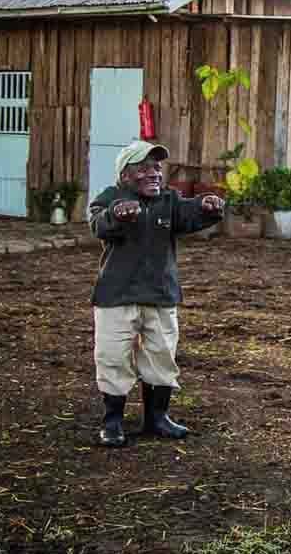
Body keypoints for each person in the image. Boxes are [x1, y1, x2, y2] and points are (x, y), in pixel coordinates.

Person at [88, 140, 224, 448]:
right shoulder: (110, 198)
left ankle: (157, 418)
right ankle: (112, 422)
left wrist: (209, 206)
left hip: (161, 294)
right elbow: (98, 224)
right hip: (116, 296)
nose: (154, 174)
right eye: (144, 168)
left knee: (161, 355)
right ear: (125, 175)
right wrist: (118, 215)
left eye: (157, 168)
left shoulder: (169, 200)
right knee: (112, 356)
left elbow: (191, 213)